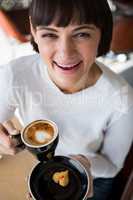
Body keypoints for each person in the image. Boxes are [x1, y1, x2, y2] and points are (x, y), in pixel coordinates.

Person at [0, 0, 133, 199]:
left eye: (82, 34)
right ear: (34, 31)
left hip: (94, 176)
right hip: (43, 167)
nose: (65, 53)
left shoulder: (122, 100)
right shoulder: (15, 75)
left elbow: (112, 167)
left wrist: (83, 163)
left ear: (103, 32)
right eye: (50, 34)